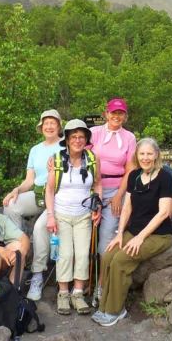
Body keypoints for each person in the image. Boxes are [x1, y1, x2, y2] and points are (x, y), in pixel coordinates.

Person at [92, 138, 172, 327]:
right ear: (137, 156)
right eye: (142, 154)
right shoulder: (134, 176)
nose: (145, 157)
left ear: (156, 155)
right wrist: (119, 233)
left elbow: (164, 213)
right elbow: (127, 208)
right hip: (133, 231)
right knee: (110, 254)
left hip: (158, 235)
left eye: (149, 154)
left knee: (121, 260)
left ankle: (115, 310)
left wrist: (140, 238)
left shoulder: (165, 177)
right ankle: (104, 306)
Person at [3, 109, 63, 301]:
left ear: (59, 126)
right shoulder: (35, 149)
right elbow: (30, 180)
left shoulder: (66, 146)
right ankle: (18, 253)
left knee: (39, 227)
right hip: (39, 194)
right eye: (46, 123)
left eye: (53, 122)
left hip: (59, 195)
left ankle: (37, 275)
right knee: (11, 205)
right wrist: (16, 190)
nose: (49, 126)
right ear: (41, 127)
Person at [45, 119, 103, 315]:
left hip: (83, 216)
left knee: (82, 255)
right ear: (67, 140)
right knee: (65, 255)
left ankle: (78, 294)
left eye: (81, 137)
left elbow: (98, 185)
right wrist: (51, 216)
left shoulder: (93, 159)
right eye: (74, 137)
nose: (78, 140)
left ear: (86, 139)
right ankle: (63, 294)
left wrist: (98, 207)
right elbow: (50, 189)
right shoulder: (58, 160)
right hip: (61, 214)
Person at [88, 98, 136, 303]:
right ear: (106, 114)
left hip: (117, 188)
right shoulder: (95, 133)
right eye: (113, 113)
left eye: (120, 113)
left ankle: (101, 283)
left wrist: (118, 196)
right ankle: (78, 284)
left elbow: (130, 168)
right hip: (90, 188)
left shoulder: (129, 137)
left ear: (125, 116)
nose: (116, 116)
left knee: (107, 235)